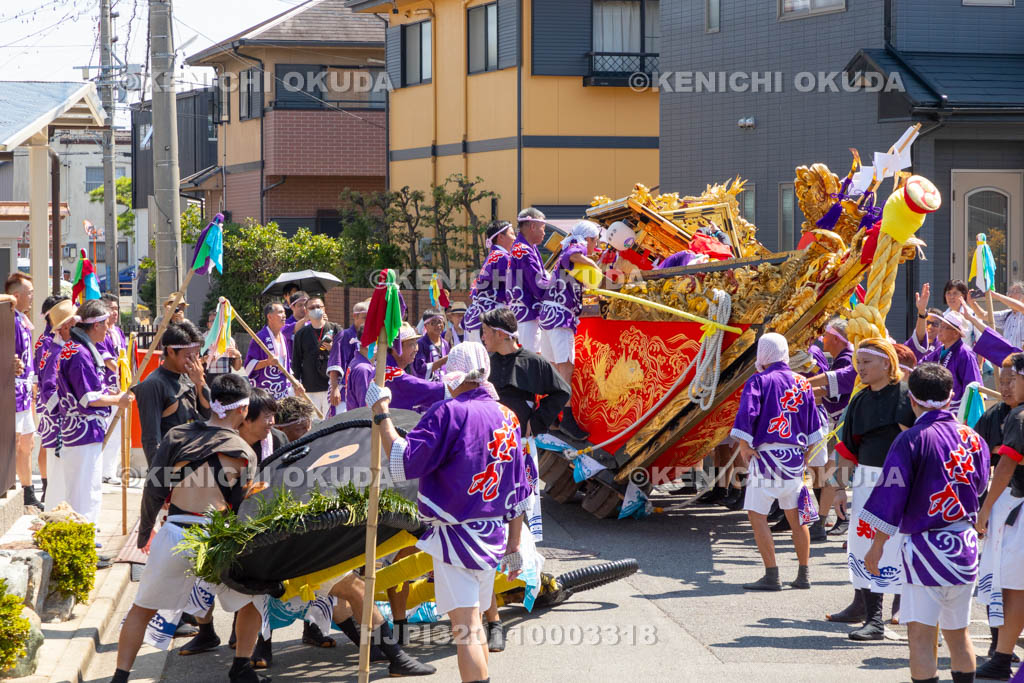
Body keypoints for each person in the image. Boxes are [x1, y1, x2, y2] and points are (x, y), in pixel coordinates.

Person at [367, 341, 533, 683]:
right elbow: (521, 491)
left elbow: (402, 462)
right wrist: (515, 546)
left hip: (457, 539)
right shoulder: (508, 416)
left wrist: (382, 414)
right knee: (475, 627)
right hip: (494, 537)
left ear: (452, 377)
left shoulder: (448, 412)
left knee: (467, 629)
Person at [112, 375, 268, 683]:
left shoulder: (177, 435)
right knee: (253, 600)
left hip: (175, 532)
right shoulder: (243, 451)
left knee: (141, 608)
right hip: (215, 539)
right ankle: (241, 668)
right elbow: (240, 509)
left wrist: (145, 532)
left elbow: (154, 489)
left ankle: (119, 677)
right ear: (243, 409)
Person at [862, 363, 989, 683]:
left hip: (927, 548)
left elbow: (891, 496)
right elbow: (981, 486)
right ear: (951, 397)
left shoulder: (911, 440)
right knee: (958, 635)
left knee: (921, 636)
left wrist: (876, 545)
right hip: (965, 545)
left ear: (913, 399)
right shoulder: (974, 439)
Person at [825, 338, 916, 639]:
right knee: (864, 546)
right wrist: (839, 488)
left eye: (866, 362)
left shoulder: (906, 397)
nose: (860, 368)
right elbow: (848, 449)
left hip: (899, 481)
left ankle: (904, 609)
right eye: (858, 363)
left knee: (898, 546)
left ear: (887, 363)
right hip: (865, 480)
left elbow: (916, 444)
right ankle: (869, 614)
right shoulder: (860, 400)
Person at [730, 332, 824, 591]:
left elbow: (748, 413)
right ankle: (803, 574)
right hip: (794, 458)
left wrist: (743, 444)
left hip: (766, 457)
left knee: (757, 514)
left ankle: (772, 574)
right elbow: (815, 427)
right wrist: (805, 455)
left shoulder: (758, 381)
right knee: (797, 518)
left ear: (763, 353)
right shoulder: (803, 383)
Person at [55, 299, 134, 524]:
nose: (109, 329)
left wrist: (112, 393)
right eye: (106, 324)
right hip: (83, 432)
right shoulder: (79, 353)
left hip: (84, 432)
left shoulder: (78, 348)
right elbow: (88, 398)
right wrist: (118, 399)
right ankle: (84, 540)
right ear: (96, 325)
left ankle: (86, 538)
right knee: (85, 491)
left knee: (86, 488)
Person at [975, 353, 1024, 677]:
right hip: (1012, 505)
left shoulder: (1020, 418)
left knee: (1012, 586)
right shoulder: (999, 415)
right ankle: (1002, 651)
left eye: (1012, 380)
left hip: (1015, 507)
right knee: (1010, 585)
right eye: (1001, 381)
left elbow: (1005, 468)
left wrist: (985, 508)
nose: (1004, 387)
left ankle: (1003, 655)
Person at [539, 219, 605, 442]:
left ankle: (553, 418)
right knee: (566, 367)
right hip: (559, 316)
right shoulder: (575, 246)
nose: (595, 247)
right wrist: (596, 268)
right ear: (587, 238)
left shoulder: (570, 254)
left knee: (555, 368)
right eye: (594, 241)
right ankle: (566, 418)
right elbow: (574, 254)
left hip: (548, 316)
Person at [131, 322, 210, 466]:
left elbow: (209, 413)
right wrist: (160, 478)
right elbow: (151, 438)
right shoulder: (153, 385)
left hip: (194, 458)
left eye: (197, 354)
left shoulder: (189, 376)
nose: (194, 361)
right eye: (188, 356)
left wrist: (200, 383)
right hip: (172, 464)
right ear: (171, 351)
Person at [345, 323, 445, 413]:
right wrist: (452, 387)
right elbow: (429, 390)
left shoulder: (383, 367)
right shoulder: (391, 374)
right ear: (396, 348)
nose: (416, 349)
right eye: (411, 344)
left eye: (416, 343)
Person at [7, 273, 41, 508]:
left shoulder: (22, 320)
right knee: (14, 440)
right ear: (16, 295)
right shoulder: (8, 318)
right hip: (13, 392)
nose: (31, 297)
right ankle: (9, 484)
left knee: (27, 441)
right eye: (28, 293)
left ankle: (28, 491)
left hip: (25, 390)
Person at [36, 296, 72, 507]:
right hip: (56, 414)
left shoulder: (65, 348)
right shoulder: (50, 346)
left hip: (64, 416)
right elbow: (47, 385)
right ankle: (47, 489)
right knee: (54, 461)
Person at [507, 208, 552, 354]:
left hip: (523, 311)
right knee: (529, 360)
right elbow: (538, 285)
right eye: (543, 228)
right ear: (532, 226)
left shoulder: (526, 247)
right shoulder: (523, 250)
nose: (544, 233)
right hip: (525, 313)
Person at [919, 310, 982, 412]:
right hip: (941, 407)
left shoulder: (965, 353)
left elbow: (973, 386)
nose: (939, 330)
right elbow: (922, 365)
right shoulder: (940, 350)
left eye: (944, 327)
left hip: (959, 410)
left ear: (956, 333)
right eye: (940, 326)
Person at [463, 221, 515, 344]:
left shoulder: (493, 256)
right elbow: (512, 287)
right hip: (489, 318)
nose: (515, 238)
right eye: (512, 234)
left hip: (477, 316)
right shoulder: (503, 257)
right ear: (501, 237)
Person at [291, 296, 338, 416]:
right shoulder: (301, 334)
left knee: (332, 422)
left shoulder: (336, 329)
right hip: (310, 387)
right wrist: (296, 383)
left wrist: (333, 348)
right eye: (312, 307)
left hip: (331, 386)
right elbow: (296, 361)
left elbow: (344, 356)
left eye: (318, 306)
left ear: (324, 309)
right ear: (306, 311)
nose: (316, 309)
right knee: (314, 423)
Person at [99, 293, 127, 484]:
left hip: (120, 386)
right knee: (105, 428)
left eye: (116, 308)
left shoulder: (118, 332)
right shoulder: (100, 334)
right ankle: (100, 470)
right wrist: (119, 370)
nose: (114, 312)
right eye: (110, 308)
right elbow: (107, 359)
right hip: (105, 388)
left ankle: (110, 470)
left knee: (117, 431)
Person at [244, 302, 294, 400]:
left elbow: (286, 365)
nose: (284, 315)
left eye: (284, 312)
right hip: (265, 391)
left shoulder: (283, 337)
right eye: (280, 312)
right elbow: (249, 366)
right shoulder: (259, 338)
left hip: (282, 390)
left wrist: (294, 381)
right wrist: (267, 362)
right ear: (269, 317)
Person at [327, 300, 369, 417]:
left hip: (361, 386)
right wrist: (334, 388)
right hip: (344, 390)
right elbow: (335, 362)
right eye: (365, 318)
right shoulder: (344, 335)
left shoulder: (369, 335)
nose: (368, 321)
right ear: (355, 316)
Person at [238, 388, 286, 466]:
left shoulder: (278, 439)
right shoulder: (228, 444)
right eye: (267, 416)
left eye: (273, 415)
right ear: (247, 419)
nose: (272, 422)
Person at [411, 309, 449, 381]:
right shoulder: (420, 344)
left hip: (444, 385)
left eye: (440, 322)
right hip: (427, 387)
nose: (438, 325)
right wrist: (443, 360)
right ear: (426, 326)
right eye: (433, 323)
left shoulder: (445, 343)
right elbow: (419, 369)